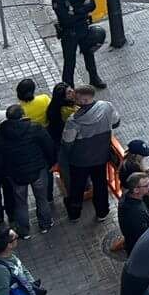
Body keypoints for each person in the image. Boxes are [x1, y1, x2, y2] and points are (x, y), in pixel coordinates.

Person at [0, 103, 57, 236]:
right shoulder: (35, 128)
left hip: (16, 175)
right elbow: (48, 145)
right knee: (41, 198)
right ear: (23, 115)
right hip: (38, 170)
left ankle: (24, 231)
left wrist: (5, 173)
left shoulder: (0, 136)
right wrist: (52, 162)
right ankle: (45, 224)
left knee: (20, 203)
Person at [60, 87, 118, 223]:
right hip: (101, 156)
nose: (74, 100)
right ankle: (102, 213)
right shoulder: (107, 106)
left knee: (77, 187)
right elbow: (116, 122)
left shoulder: (74, 120)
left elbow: (67, 142)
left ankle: (74, 215)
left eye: (76, 98)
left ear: (84, 100)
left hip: (79, 161)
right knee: (100, 184)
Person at [52, 0, 105, 88]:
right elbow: (66, 19)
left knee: (89, 54)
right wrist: (83, 9)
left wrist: (76, 11)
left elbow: (92, 5)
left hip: (83, 29)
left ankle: (94, 78)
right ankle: (68, 87)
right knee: (69, 61)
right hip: (69, 33)